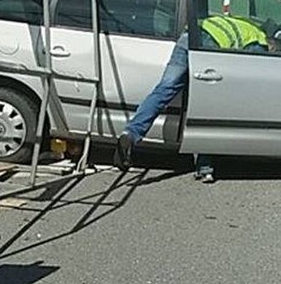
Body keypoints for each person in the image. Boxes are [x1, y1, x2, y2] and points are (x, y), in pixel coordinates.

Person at [113, 14, 268, 182]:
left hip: (190, 35)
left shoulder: (243, 23)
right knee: (208, 105)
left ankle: (130, 133)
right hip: (209, 44)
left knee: (165, 89)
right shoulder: (260, 41)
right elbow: (252, 68)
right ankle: (204, 167)